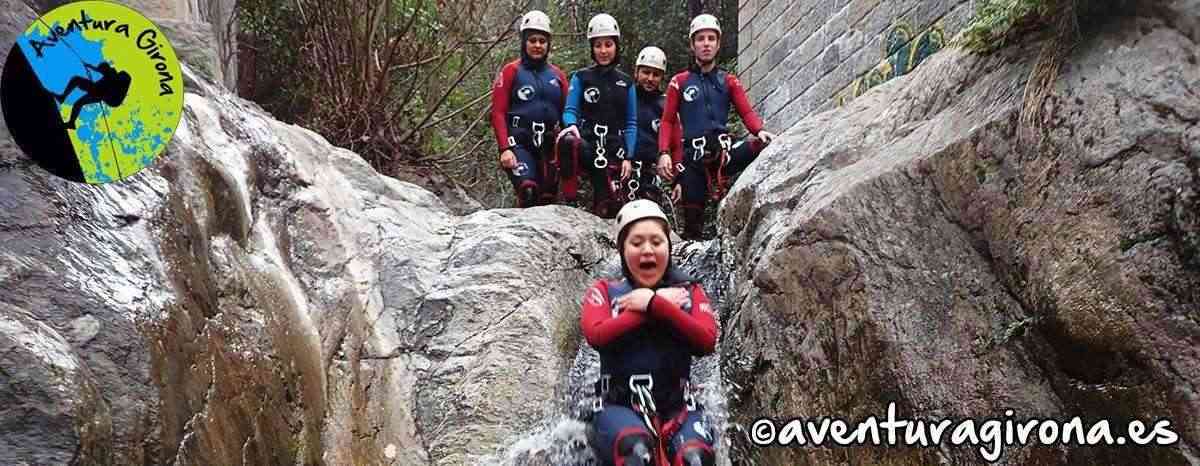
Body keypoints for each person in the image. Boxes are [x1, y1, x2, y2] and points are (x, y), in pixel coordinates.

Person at [581, 200, 718, 466]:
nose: (647, 251)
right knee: (636, 452)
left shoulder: (689, 292)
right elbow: (596, 336)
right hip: (618, 408)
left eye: (656, 242)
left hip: (679, 409)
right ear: (622, 250)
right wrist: (648, 308)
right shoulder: (604, 291)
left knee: (696, 459)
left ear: (668, 247)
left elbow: (706, 341)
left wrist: (656, 305)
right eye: (636, 243)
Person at [658, 14, 776, 240]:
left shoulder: (729, 81)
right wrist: (664, 153)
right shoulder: (679, 82)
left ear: (718, 43)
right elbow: (667, 121)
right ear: (693, 45)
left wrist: (760, 131)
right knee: (692, 226)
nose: (706, 43)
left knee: (760, 146)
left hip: (724, 152)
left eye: (711, 38)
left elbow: (746, 112)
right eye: (700, 39)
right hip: (693, 158)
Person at [556, 13, 638, 219]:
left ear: (616, 46)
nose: (603, 50)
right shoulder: (581, 77)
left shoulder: (626, 83)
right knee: (567, 141)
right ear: (592, 48)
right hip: (588, 145)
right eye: (598, 45)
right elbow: (570, 110)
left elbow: (630, 123)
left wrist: (629, 156)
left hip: (613, 149)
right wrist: (571, 125)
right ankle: (570, 201)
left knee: (606, 208)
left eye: (608, 44)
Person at [490, 10, 569, 207]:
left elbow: (569, 114)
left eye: (542, 41)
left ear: (548, 44)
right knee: (528, 191)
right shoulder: (511, 71)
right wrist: (504, 149)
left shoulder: (558, 76)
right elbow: (498, 112)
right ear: (524, 41)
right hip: (519, 144)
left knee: (548, 200)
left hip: (549, 147)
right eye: (532, 40)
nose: (537, 45)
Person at [622, 46, 681, 209]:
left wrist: (678, 179)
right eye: (645, 72)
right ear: (636, 72)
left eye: (656, 74)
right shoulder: (625, 96)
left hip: (650, 172)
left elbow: (676, 144)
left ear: (662, 77)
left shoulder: (665, 105)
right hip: (624, 167)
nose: (650, 78)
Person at [55, 61, 132, 130]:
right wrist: (90, 66)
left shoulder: (114, 75)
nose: (102, 74)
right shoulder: (108, 76)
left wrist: (105, 92)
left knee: (77, 81)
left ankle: (63, 99)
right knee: (78, 101)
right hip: (101, 93)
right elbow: (100, 72)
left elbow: (116, 79)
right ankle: (71, 122)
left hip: (106, 96)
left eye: (103, 72)